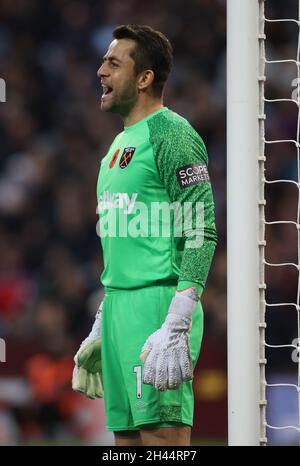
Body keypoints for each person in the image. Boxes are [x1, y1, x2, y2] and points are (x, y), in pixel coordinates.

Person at [72, 24, 217, 446]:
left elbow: (201, 229)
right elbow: (127, 237)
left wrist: (179, 316)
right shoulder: (116, 147)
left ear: (144, 77)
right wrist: (104, 317)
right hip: (119, 309)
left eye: (113, 63)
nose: (100, 70)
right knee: (127, 447)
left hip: (159, 308)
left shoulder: (172, 134)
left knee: (164, 446)